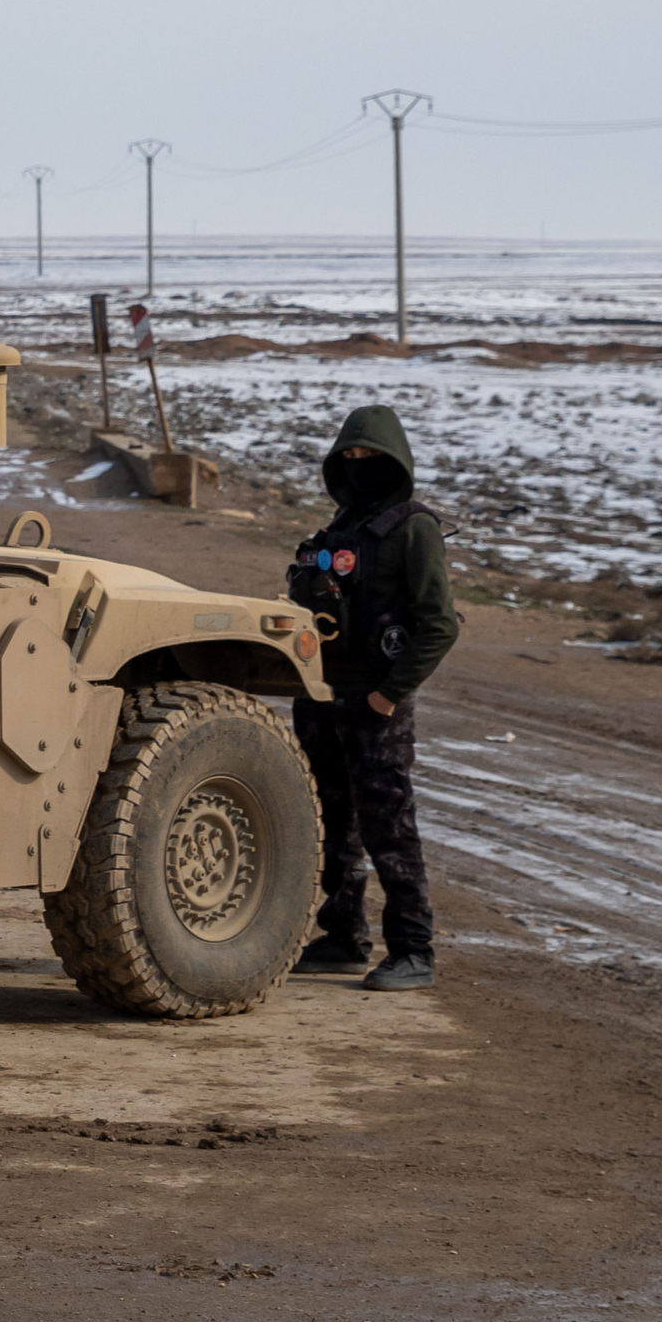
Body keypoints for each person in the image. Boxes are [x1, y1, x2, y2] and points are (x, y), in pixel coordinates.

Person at [285, 403, 460, 992]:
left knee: (390, 827)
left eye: (370, 456)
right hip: (322, 696)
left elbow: (439, 625)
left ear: (394, 461)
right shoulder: (340, 530)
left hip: (375, 703)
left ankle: (413, 950)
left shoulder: (414, 528)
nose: (360, 465)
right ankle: (343, 937)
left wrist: (388, 696)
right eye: (351, 456)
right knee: (332, 823)